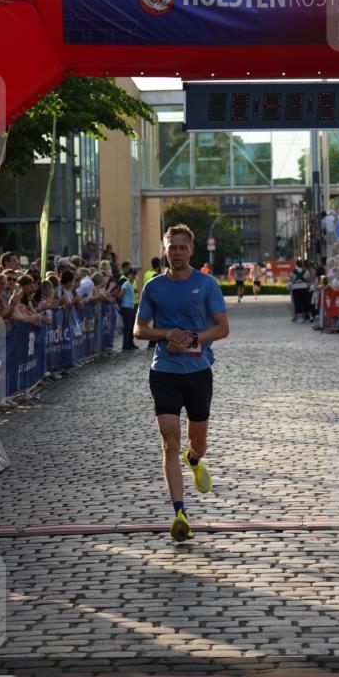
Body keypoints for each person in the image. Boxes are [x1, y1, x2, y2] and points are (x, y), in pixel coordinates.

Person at [133, 224, 229, 543]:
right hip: (164, 372)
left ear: (191, 250)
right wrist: (164, 334)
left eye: (181, 247)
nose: (176, 252)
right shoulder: (154, 287)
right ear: (165, 249)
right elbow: (138, 329)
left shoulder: (206, 284)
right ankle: (179, 513)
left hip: (199, 372)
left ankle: (196, 460)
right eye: (171, 247)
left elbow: (223, 328)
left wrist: (192, 339)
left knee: (196, 443)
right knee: (169, 441)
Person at [119, 268, 137, 350]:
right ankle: (125, 344)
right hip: (126, 307)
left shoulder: (131, 284)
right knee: (127, 327)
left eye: (134, 275)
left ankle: (130, 343)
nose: (133, 277)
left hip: (130, 306)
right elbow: (121, 295)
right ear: (128, 275)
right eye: (132, 275)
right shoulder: (126, 284)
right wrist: (121, 305)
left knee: (130, 326)